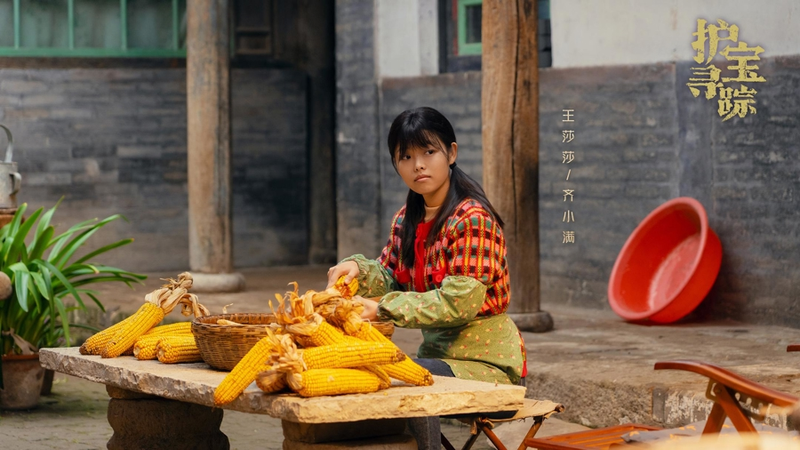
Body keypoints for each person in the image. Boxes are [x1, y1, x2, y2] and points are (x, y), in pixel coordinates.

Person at [325, 106, 527, 449]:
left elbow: (457, 304)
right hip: (437, 359)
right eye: (405, 156)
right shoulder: (407, 219)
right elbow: (390, 274)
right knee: (374, 374)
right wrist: (357, 268)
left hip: (488, 368)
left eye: (428, 152)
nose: (418, 164)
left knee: (406, 380)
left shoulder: (472, 220)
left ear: (451, 153)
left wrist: (380, 309)